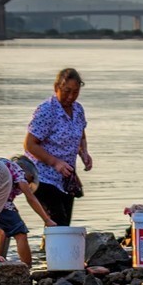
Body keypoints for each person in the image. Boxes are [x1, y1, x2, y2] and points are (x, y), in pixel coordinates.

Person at [24, 67, 92, 226]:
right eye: (67, 91)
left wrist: (84, 154)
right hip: (42, 176)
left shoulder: (78, 109)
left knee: (63, 224)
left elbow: (80, 135)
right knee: (58, 220)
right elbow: (29, 144)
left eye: (75, 92)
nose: (70, 96)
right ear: (57, 88)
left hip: (66, 177)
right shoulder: (47, 110)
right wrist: (55, 163)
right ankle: (53, 251)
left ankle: (48, 249)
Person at [0, 156, 57, 266]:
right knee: (20, 233)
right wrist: (47, 220)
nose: (28, 182)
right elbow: (31, 198)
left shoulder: (1, 166)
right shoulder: (17, 170)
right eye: (30, 179)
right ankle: (27, 268)